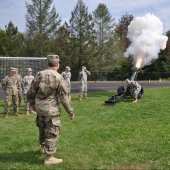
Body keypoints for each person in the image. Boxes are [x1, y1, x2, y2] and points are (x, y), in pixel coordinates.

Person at [27, 54, 75, 165]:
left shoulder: (39, 74)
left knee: (42, 130)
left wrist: (32, 104)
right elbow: (64, 97)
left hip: (40, 109)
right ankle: (49, 158)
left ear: (48, 64)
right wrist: (70, 111)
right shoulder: (58, 77)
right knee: (52, 133)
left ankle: (43, 148)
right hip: (51, 110)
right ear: (57, 65)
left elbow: (31, 91)